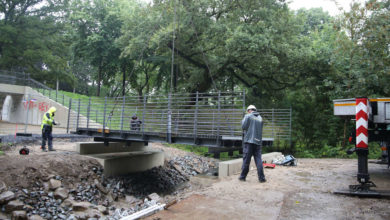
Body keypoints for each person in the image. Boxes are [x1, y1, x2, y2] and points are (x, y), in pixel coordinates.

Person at [239, 105, 266, 183]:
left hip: (249, 142)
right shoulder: (260, 118)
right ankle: (262, 178)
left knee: (246, 160)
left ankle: (242, 177)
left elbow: (243, 126)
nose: (248, 112)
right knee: (258, 160)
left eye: (248, 111)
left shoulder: (248, 116)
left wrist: (245, 118)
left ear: (250, 110)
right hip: (258, 142)